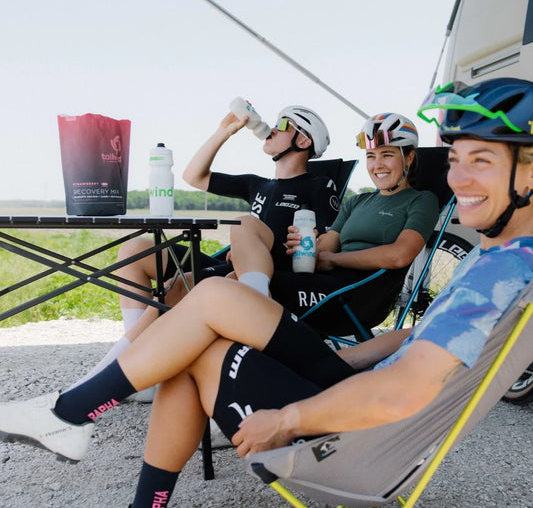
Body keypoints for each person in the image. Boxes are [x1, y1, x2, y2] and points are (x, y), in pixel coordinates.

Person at [1, 77, 533, 508]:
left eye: (481, 161)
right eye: (457, 159)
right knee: (207, 313)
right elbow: (417, 338)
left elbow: (400, 393)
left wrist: (286, 420)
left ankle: (70, 415)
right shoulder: (500, 263)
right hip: (346, 382)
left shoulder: (499, 274)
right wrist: (340, 350)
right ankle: (78, 425)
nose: (459, 178)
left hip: (356, 432)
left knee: (209, 309)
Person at [74, 104, 338, 394]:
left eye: (284, 125)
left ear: (304, 140)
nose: (273, 128)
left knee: (185, 280)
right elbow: (193, 176)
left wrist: (307, 243)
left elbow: (329, 242)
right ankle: (137, 376)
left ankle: (112, 373)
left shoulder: (319, 185)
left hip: (275, 272)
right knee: (135, 250)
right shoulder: (257, 185)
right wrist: (224, 131)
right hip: (234, 264)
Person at [230, 112, 440, 331]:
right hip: (323, 284)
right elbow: (323, 251)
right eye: (370, 156)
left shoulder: (421, 200)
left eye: (387, 155)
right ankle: (266, 331)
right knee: (243, 233)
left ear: (409, 157)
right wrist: (302, 246)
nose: (377, 165)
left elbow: (400, 255)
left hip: (355, 296)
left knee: (236, 289)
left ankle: (266, 334)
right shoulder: (357, 201)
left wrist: (334, 260)